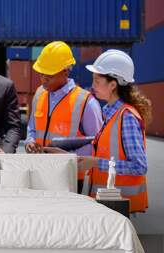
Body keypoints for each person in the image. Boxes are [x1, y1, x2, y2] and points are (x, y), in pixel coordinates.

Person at [78, 49, 152, 213]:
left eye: (97, 81)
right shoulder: (110, 114)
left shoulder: (126, 118)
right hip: (109, 204)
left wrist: (96, 163)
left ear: (113, 84)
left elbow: (139, 166)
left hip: (119, 205)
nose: (92, 86)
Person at [24, 41, 103, 193]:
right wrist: (30, 141)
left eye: (49, 75)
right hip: (39, 172)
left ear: (65, 72)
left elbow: (97, 144)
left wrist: (68, 157)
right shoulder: (39, 94)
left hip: (70, 178)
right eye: (41, 74)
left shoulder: (85, 102)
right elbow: (32, 128)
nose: (43, 79)